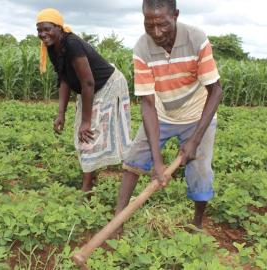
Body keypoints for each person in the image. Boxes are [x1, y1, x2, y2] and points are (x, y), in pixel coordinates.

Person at [113, 0, 223, 234]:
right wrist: (157, 160)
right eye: (149, 25)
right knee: (133, 160)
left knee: (201, 169)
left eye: (163, 24)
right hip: (161, 114)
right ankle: (118, 219)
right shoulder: (142, 48)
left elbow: (216, 91)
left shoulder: (196, 39)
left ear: (175, 15)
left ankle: (197, 223)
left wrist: (194, 141)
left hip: (196, 115)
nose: (156, 32)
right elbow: (148, 103)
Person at [36, 8, 132, 192]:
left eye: (47, 28)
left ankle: (87, 186)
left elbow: (88, 83)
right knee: (85, 133)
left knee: (89, 132)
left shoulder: (72, 44)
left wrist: (86, 121)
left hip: (107, 86)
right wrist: (61, 114)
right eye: (39, 30)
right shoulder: (52, 48)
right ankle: (91, 176)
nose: (43, 34)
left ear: (59, 28)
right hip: (89, 89)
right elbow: (64, 79)